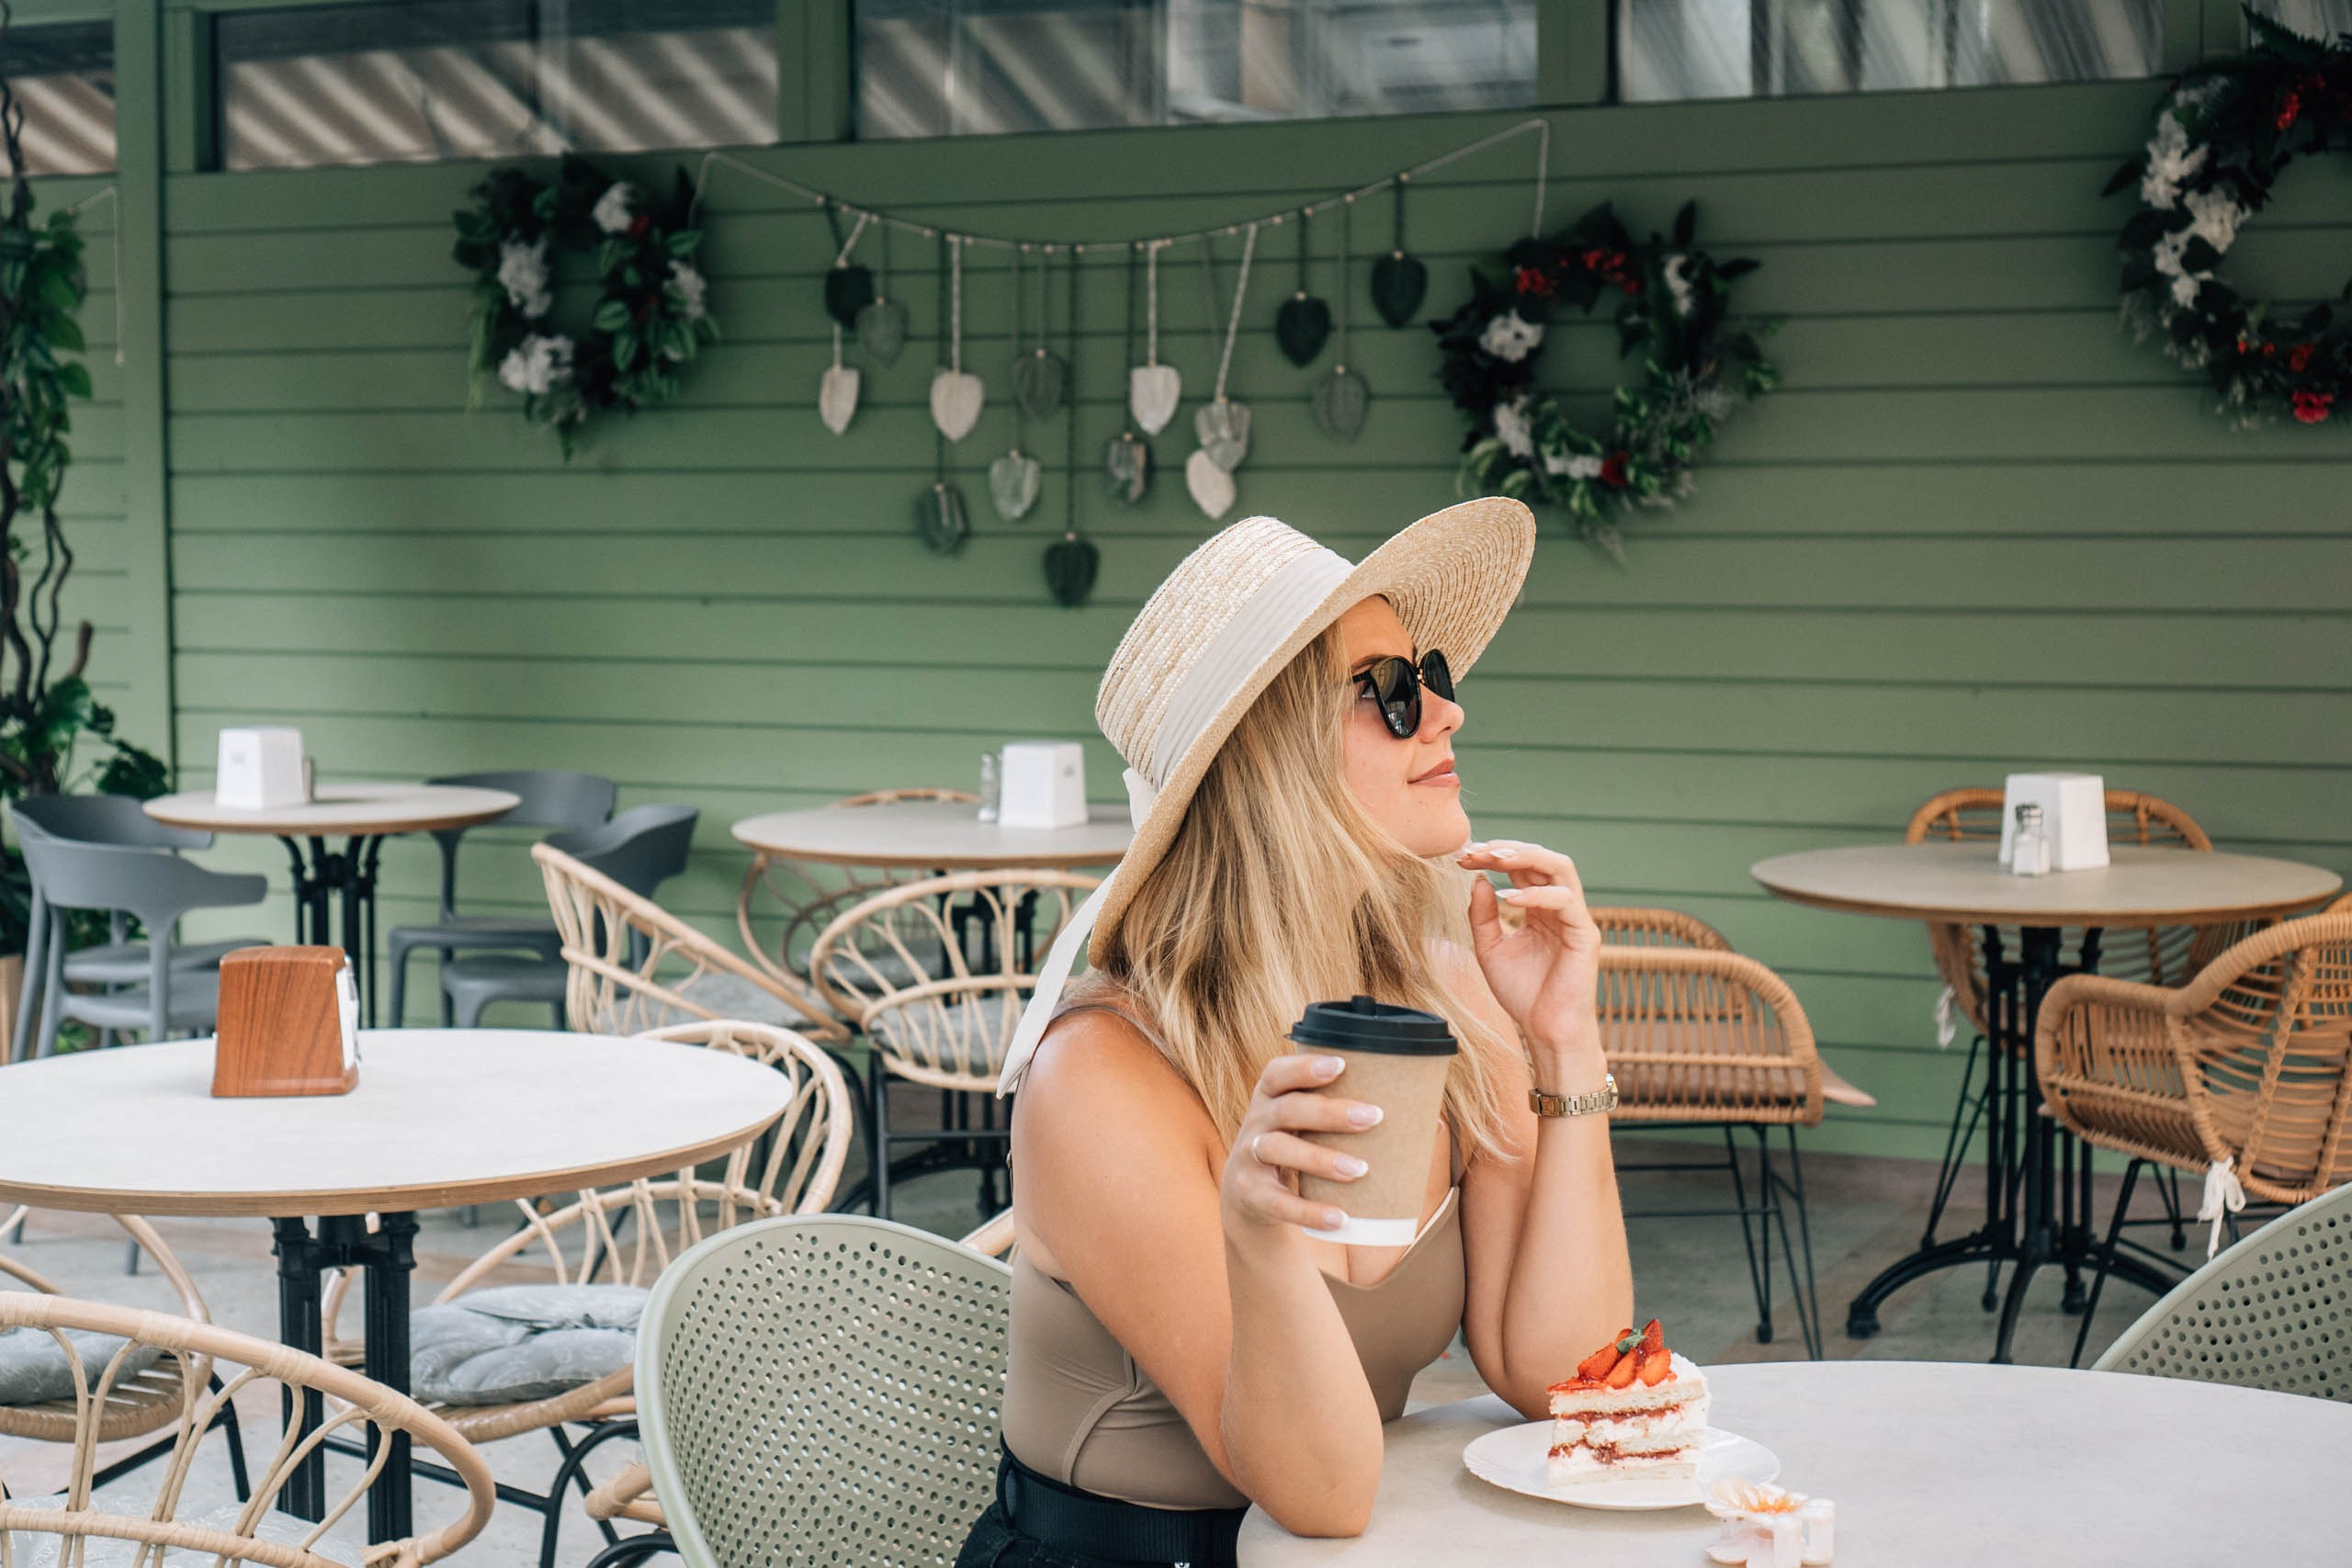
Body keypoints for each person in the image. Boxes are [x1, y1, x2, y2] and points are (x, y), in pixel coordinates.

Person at [958, 502, 1633, 1567]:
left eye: (1435, 677)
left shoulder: (1446, 1004)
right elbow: (1314, 1489)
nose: (1446, 716)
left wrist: (1564, 1044)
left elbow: (1568, 1372)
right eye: (1391, 693)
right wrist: (1260, 1235)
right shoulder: (1107, 1072)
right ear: (1270, 759)